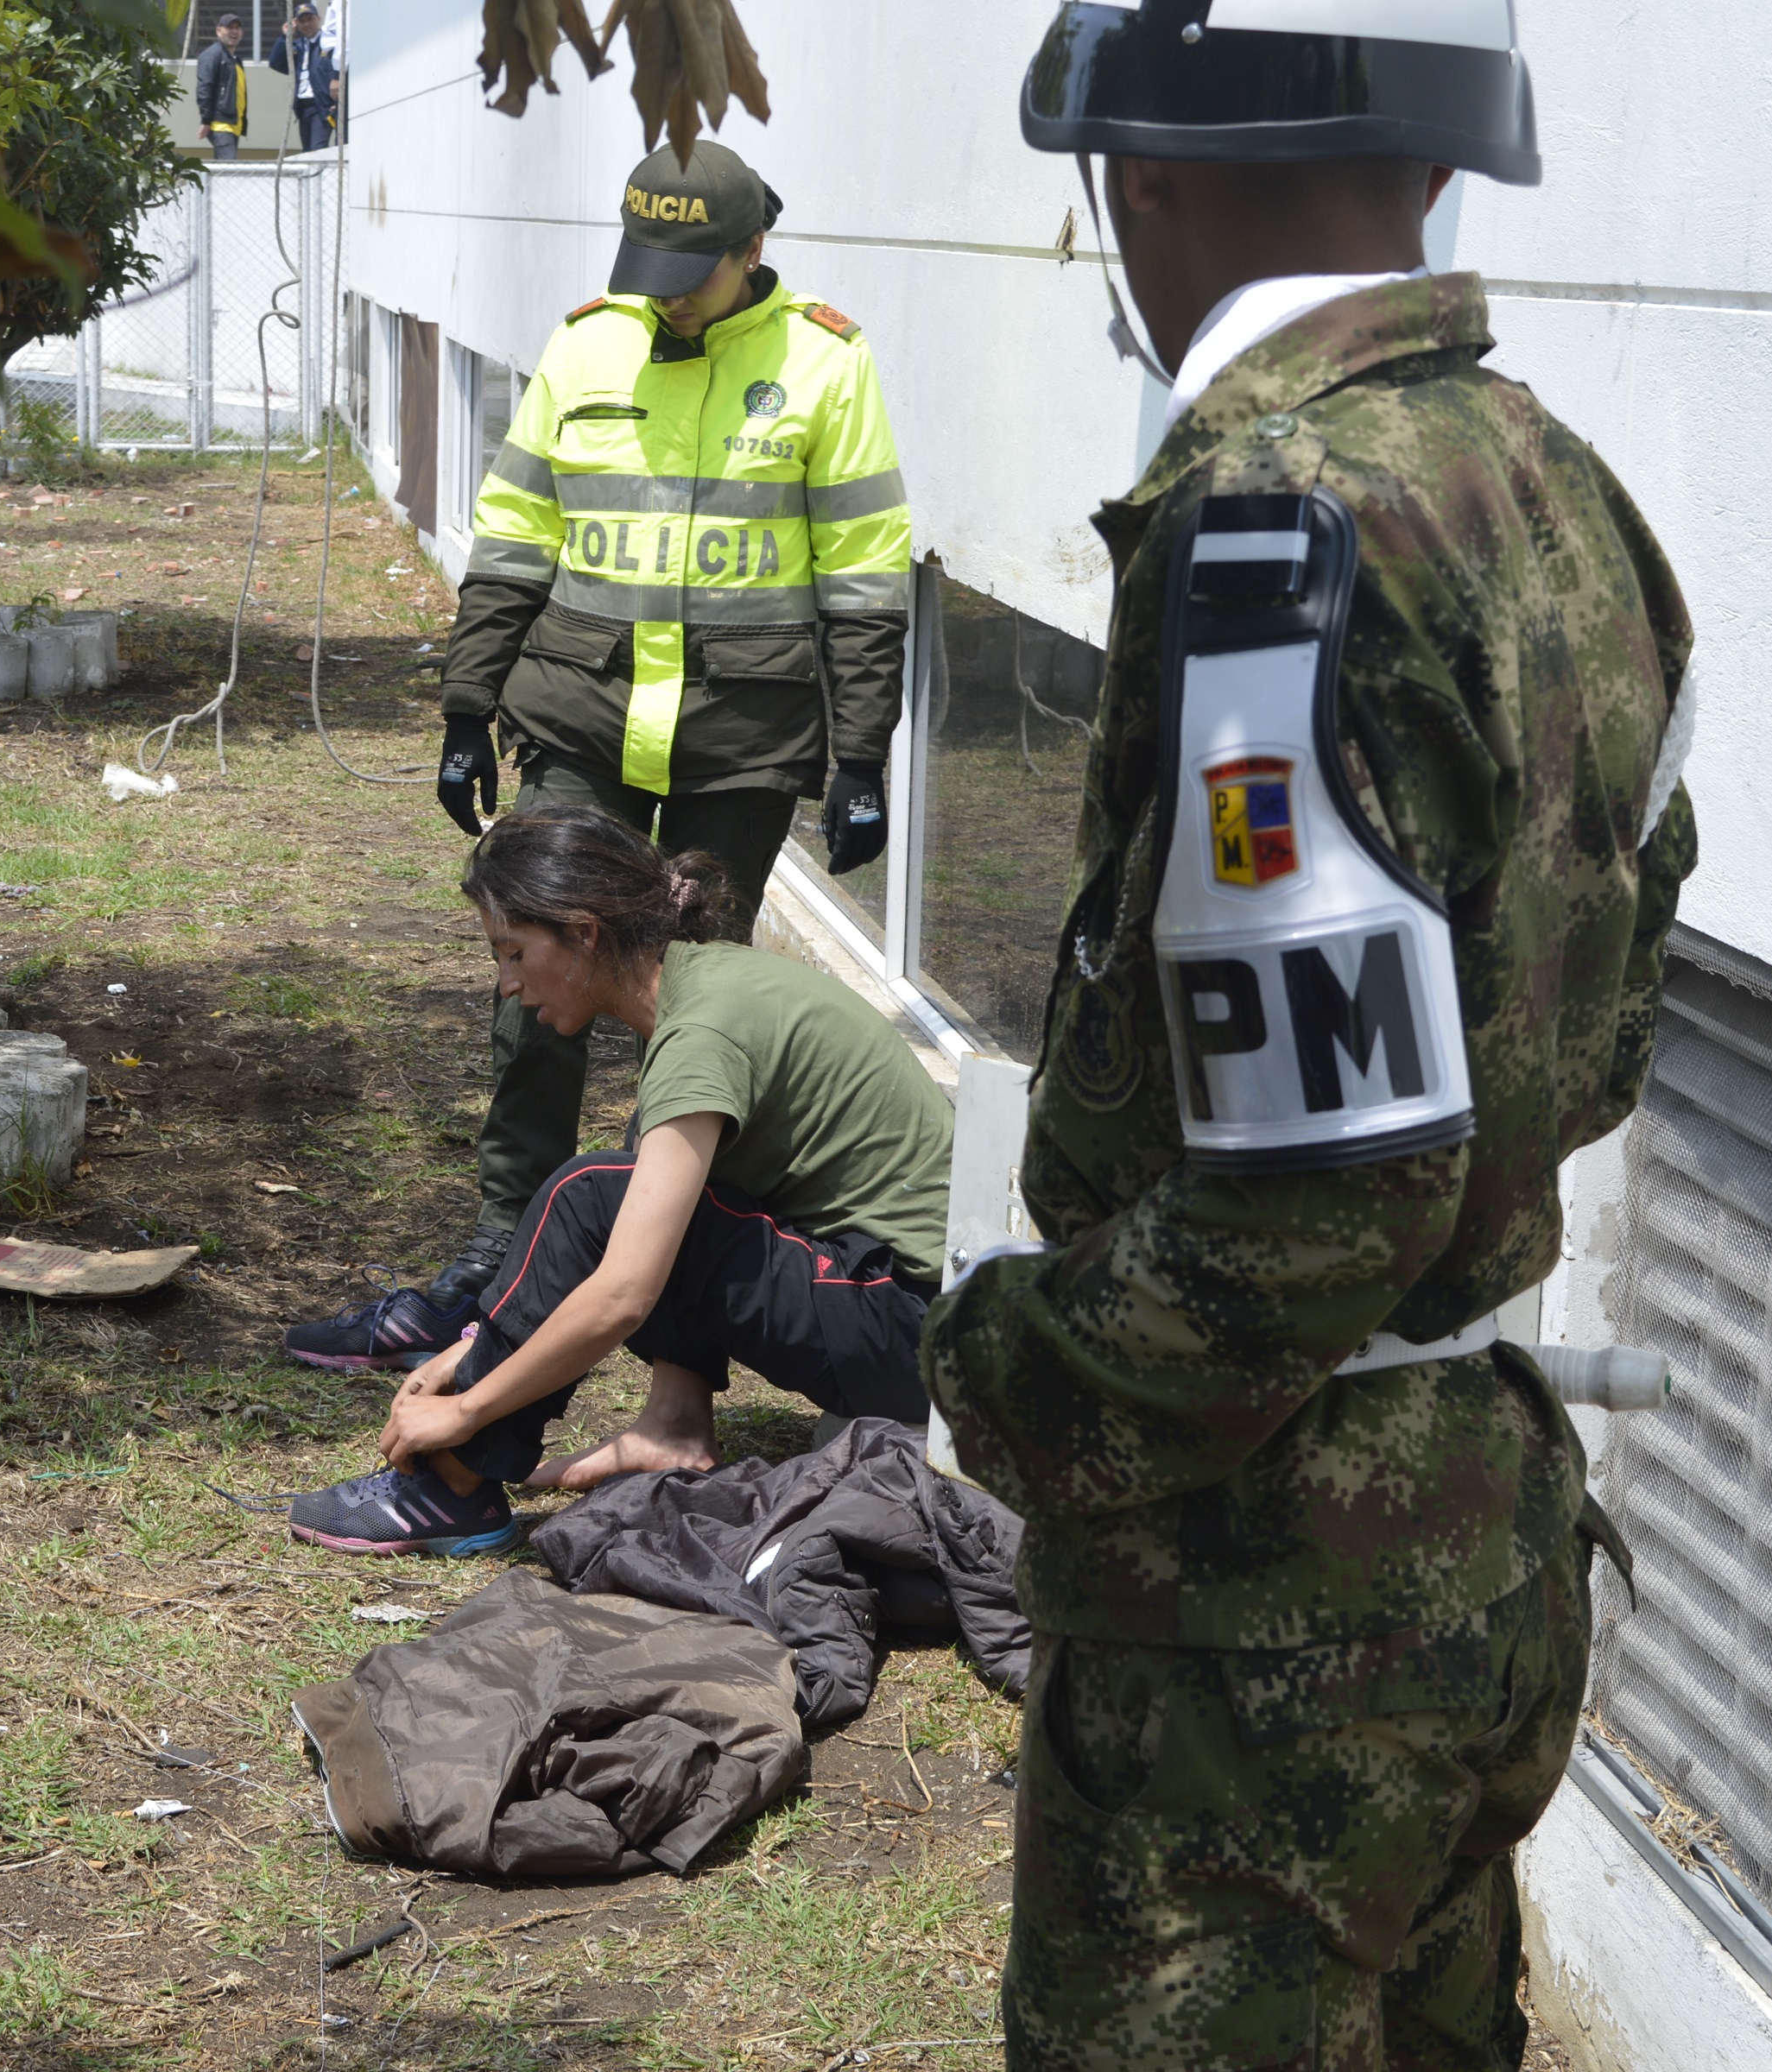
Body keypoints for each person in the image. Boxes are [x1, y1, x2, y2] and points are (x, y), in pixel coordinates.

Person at [924, 8, 1699, 2067]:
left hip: (1259, 1604)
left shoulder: (1272, 529)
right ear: (1437, 162)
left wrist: (1000, 1368)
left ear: (1140, 173)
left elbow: (1316, 1189)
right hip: (1466, 1543)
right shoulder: (1554, 490)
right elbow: (1604, 1008)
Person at [283, 139, 914, 1375]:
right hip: (581, 722)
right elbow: (515, 532)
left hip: (736, 744)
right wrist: (468, 707)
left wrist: (861, 759)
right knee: (534, 991)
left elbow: (862, 575)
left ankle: (672, 1276)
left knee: (696, 1023)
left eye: (694, 271)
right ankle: (498, 1248)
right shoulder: (587, 343)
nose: (666, 294)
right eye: (651, 269)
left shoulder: (826, 365)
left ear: (752, 253)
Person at [284, 805, 952, 1556]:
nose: (506, 984)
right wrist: (463, 1352)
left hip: (914, 1335)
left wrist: (468, 1406)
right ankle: (673, 1426)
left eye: (512, 953)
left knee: (591, 1194)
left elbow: (625, 1288)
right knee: (636, 1180)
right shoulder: (698, 990)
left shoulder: (701, 1033)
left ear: (583, 933)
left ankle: (452, 1487)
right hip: (910, 1321)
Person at [266, 3, 341, 155]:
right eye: (302, 21)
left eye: (310, 19)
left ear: (318, 19)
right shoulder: (297, 46)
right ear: (296, 23)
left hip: (322, 106)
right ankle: (312, 178)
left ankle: (318, 177)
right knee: (307, 151)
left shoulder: (329, 43)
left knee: (317, 149)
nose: (307, 24)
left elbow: (339, 67)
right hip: (303, 106)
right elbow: (275, 63)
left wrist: (335, 101)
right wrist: (286, 36)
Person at [194, 12, 247, 161]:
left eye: (237, 28)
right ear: (218, 31)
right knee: (229, 168)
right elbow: (204, 88)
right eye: (229, 27)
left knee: (222, 170)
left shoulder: (236, 59)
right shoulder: (212, 55)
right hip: (220, 124)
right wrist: (206, 120)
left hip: (233, 125)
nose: (234, 31)